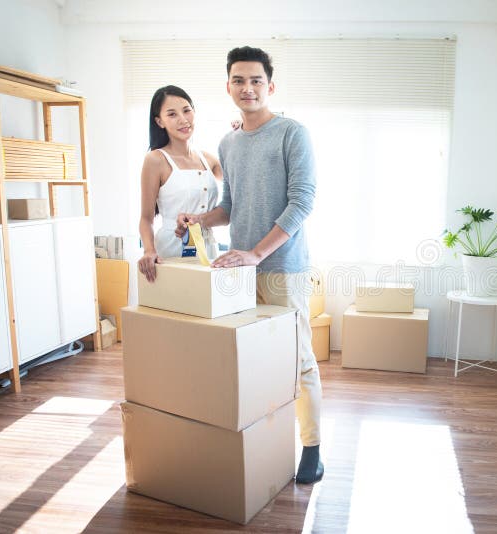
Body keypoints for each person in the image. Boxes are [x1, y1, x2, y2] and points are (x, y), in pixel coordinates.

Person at [176, 46, 323, 484]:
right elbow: (231, 207)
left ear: (270, 86)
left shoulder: (292, 134)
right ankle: (261, 444)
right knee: (249, 362)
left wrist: (258, 253)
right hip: (237, 274)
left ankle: (312, 448)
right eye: (239, 80)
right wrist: (202, 219)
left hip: (282, 270)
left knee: (298, 362)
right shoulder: (228, 142)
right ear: (228, 87)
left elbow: (302, 203)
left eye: (256, 80)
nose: (248, 87)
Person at [138, 85, 223, 282]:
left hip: (208, 247)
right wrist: (149, 251)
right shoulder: (155, 160)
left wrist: (240, 134)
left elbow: (241, 178)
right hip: (171, 248)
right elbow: (146, 218)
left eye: (186, 110)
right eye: (172, 114)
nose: (183, 119)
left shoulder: (208, 159)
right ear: (160, 121)